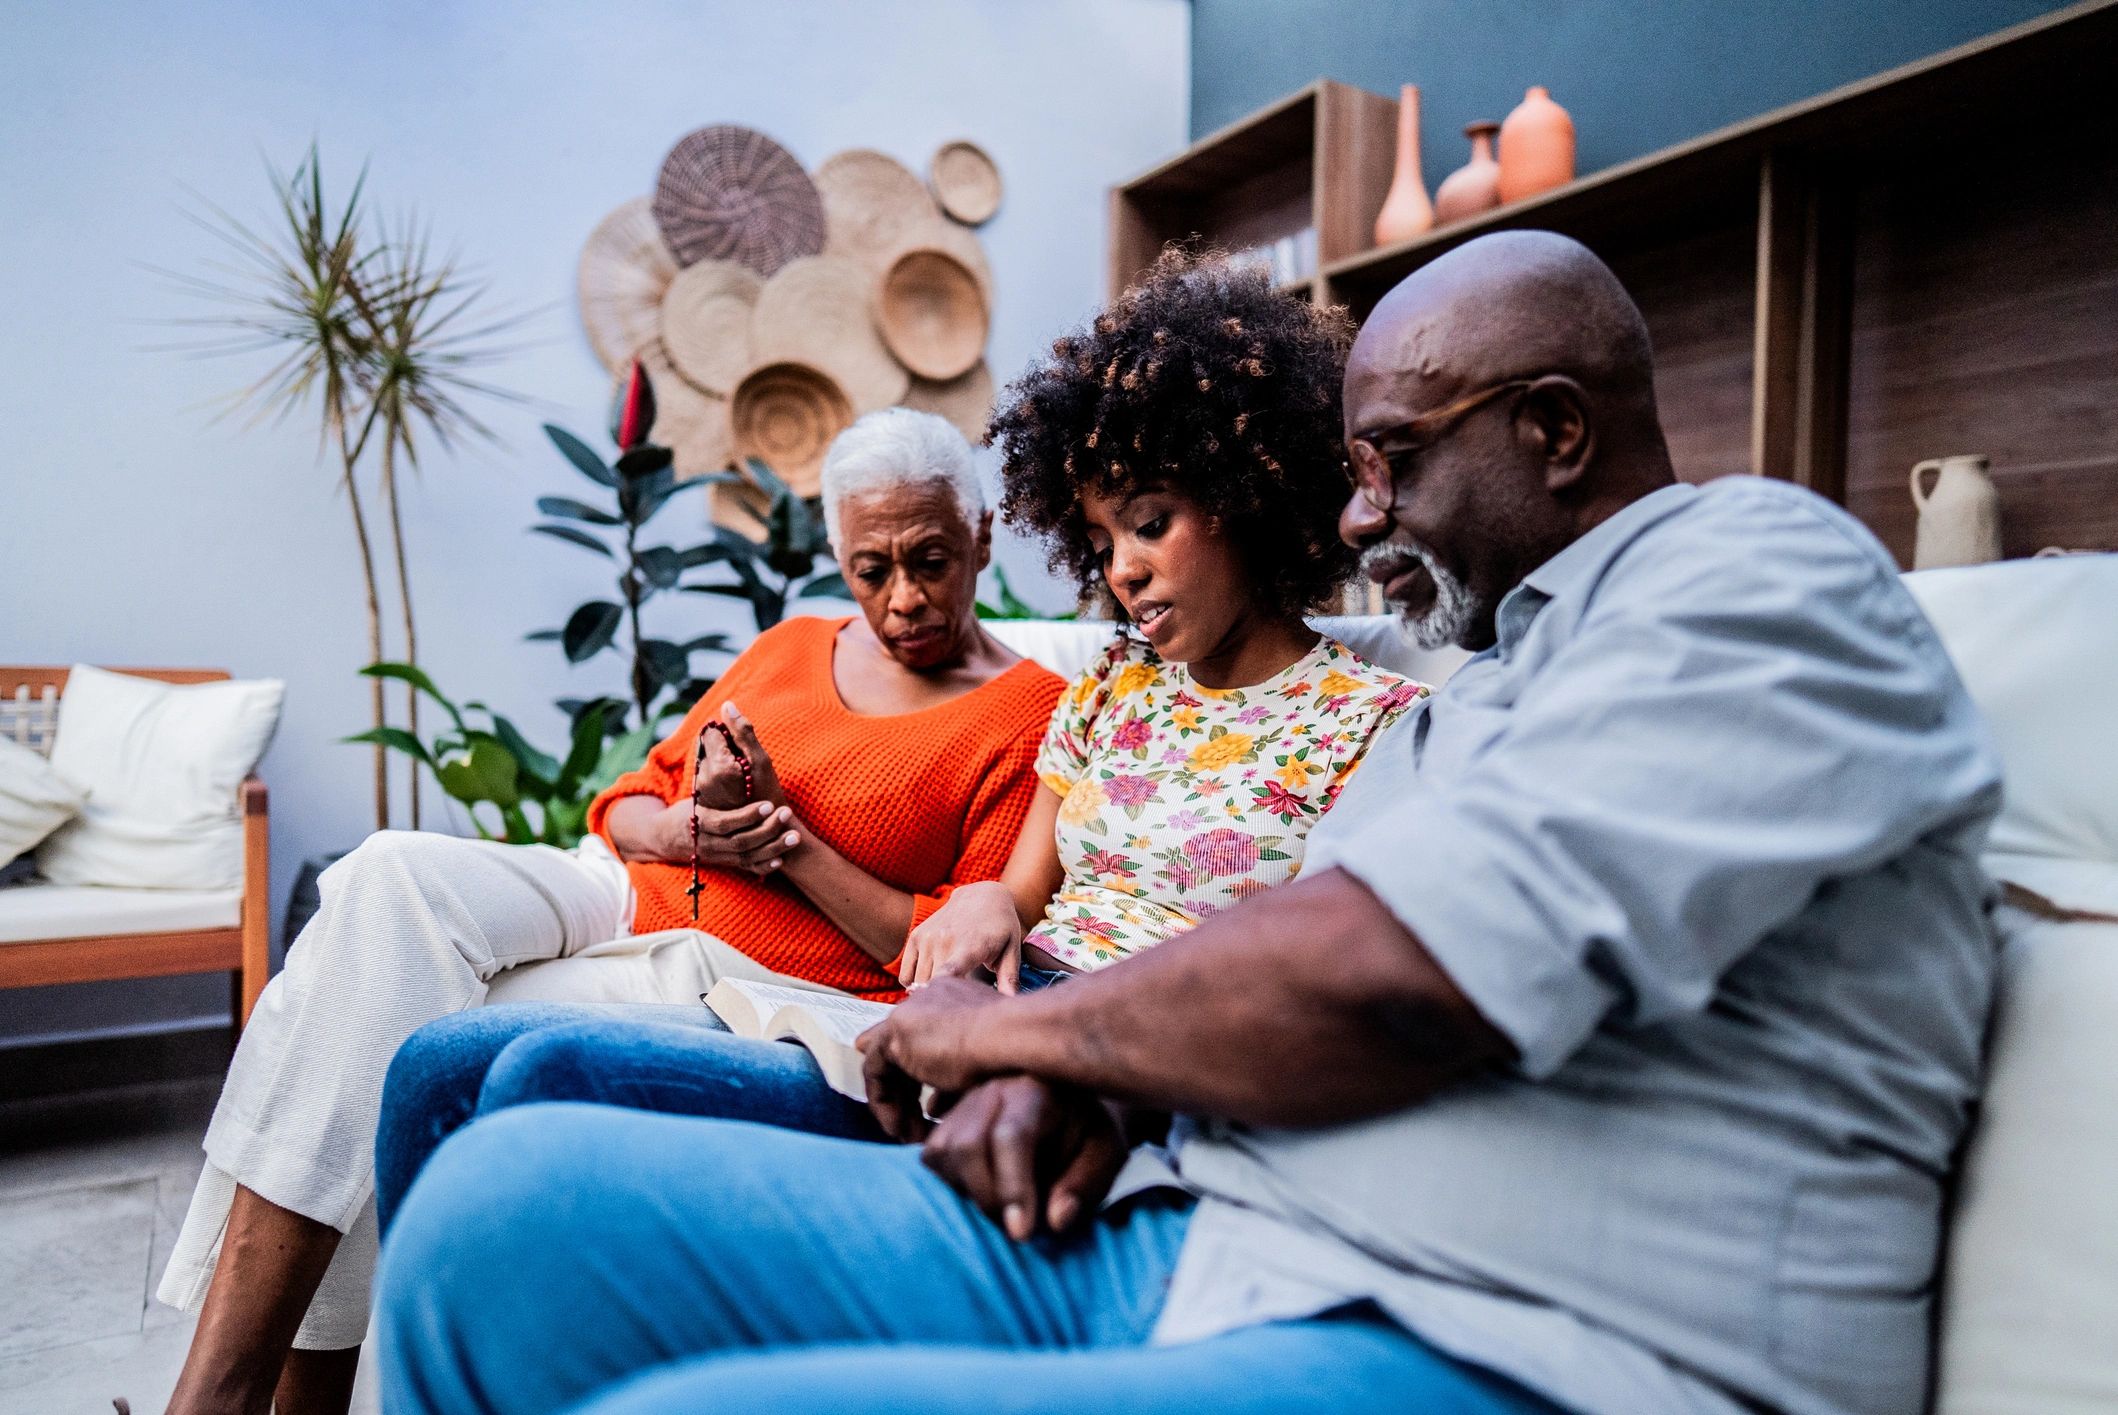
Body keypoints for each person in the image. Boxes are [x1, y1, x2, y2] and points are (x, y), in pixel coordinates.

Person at [378, 229, 2005, 1415]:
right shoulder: (1483, 689)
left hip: (1518, 1337)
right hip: (1199, 1224)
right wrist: (1105, 1078)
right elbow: (1286, 971)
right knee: (499, 1222)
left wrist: (1033, 1036)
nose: (1357, 511)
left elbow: (1396, 966)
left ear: (1554, 432)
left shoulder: (1751, 572)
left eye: (1391, 459)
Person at [369, 250, 1422, 1228]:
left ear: (1250, 496)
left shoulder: (1375, 723)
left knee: (537, 1077)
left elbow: (1314, 985)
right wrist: (980, 904)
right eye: (1101, 540)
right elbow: (1015, 894)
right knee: (438, 1065)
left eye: (1150, 524)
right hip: (972, 1010)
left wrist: (1049, 1038)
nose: (1122, 571)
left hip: (1097, 1054)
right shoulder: (1116, 683)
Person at [157, 408, 1066, 1415]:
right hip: (620, 885)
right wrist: (689, 827)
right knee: (385, 879)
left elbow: (937, 954)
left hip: (736, 966)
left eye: (931, 560)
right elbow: (627, 801)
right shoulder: (794, 644)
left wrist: (784, 841)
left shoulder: (1030, 714)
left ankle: (234, 1396)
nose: (903, 597)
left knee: (371, 1006)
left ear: (982, 533)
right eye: (870, 567)